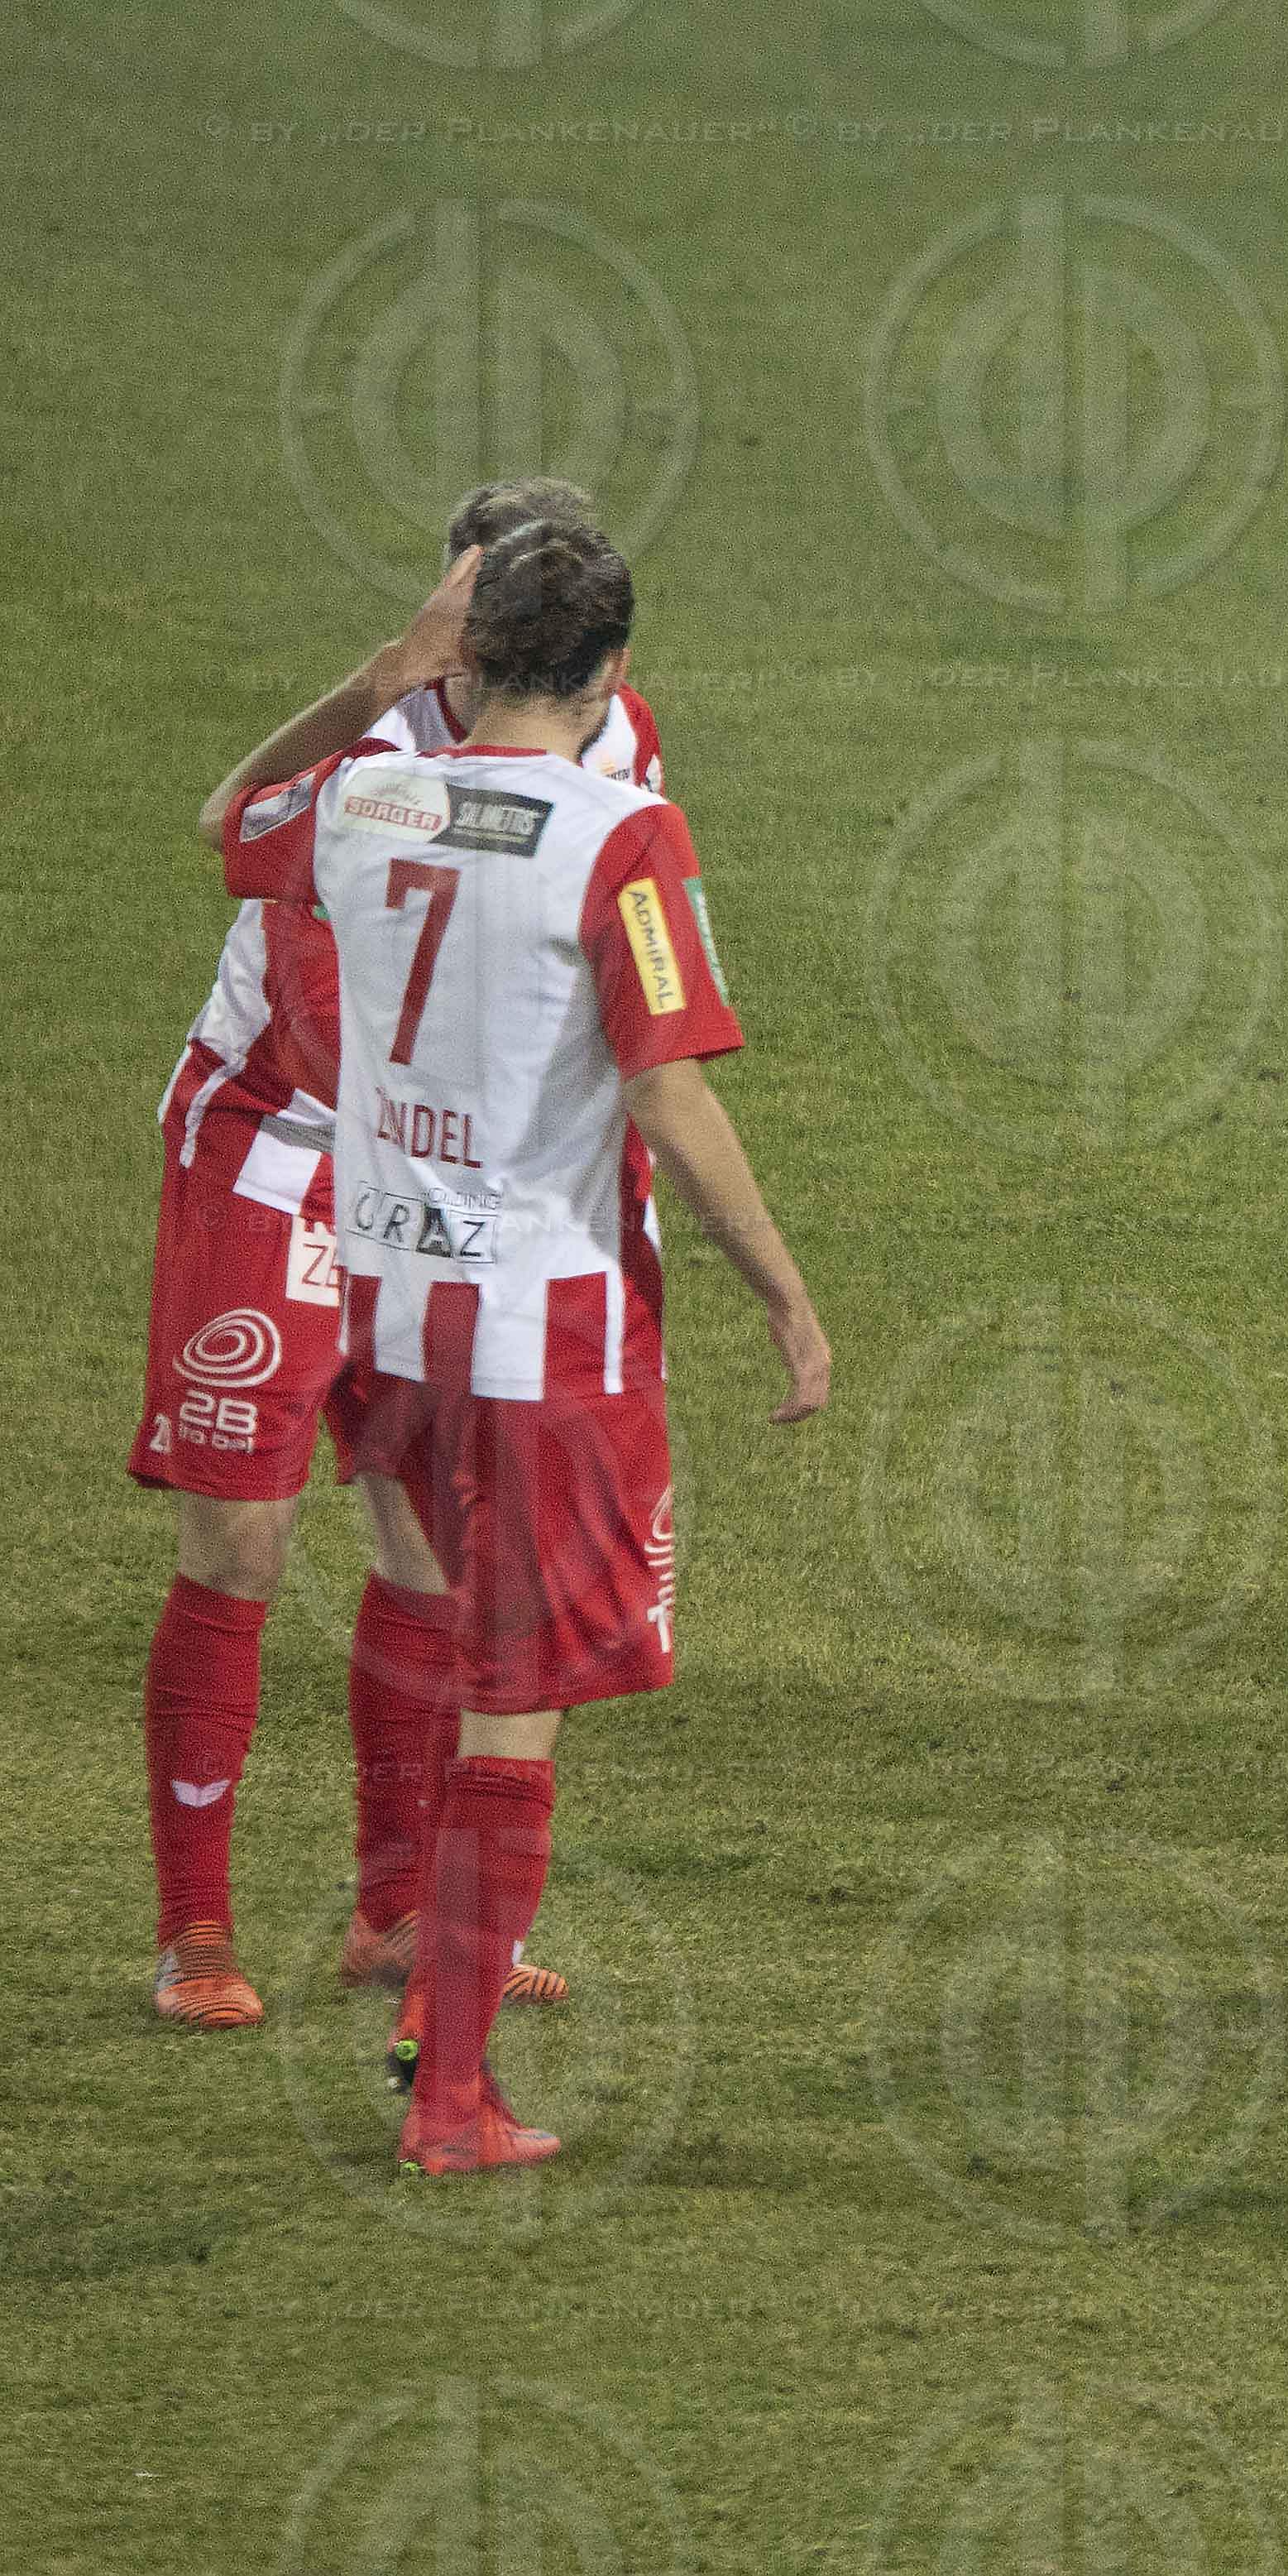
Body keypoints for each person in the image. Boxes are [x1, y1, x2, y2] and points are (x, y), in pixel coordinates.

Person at [205, 519, 828, 2171]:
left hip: (391, 1307)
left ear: (465, 656)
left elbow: (228, 822)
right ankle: (454, 2088)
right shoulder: (627, 838)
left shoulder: (365, 795)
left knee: (457, 1638)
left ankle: (416, 1957)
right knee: (522, 1696)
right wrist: (780, 1288)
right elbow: (667, 1087)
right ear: (614, 670)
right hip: (548, 1333)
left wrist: (374, 684)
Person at [136, 477, 654, 2032]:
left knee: (430, 1551)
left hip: (434, 1183)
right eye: (461, 611)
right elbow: (311, 992)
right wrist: (373, 683)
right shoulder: (367, 754)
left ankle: (396, 1909)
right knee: (245, 1542)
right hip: (277, 1145)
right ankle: (194, 1934)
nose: (471, 647)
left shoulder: (608, 741)